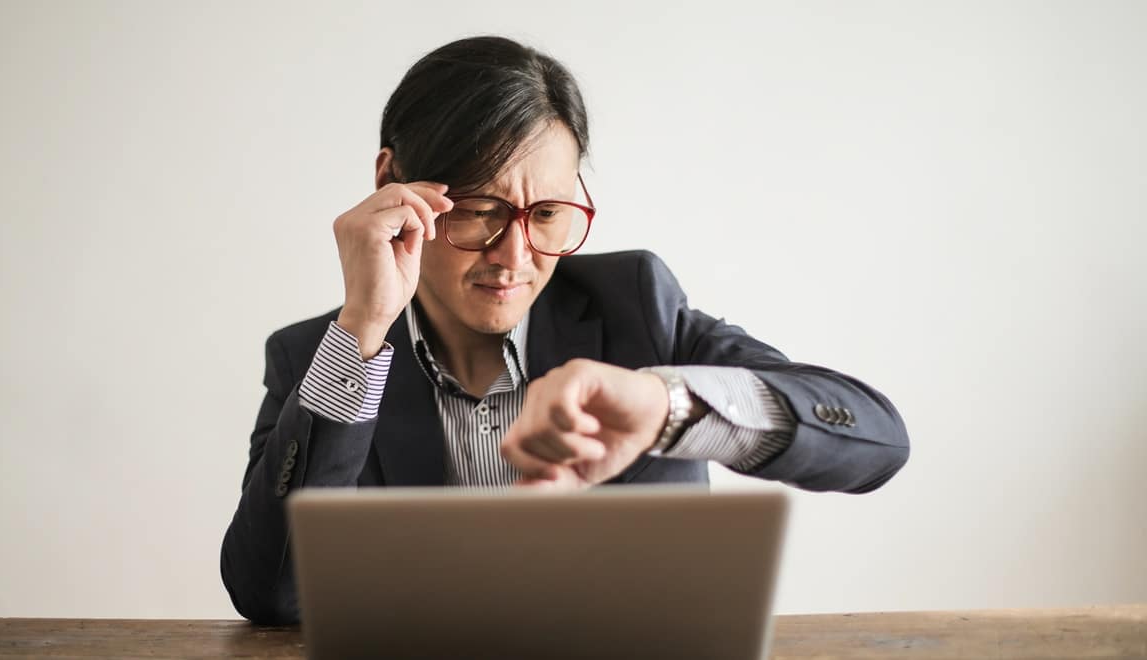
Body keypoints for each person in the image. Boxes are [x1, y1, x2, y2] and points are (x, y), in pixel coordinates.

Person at [220, 35, 909, 625]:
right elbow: (270, 593)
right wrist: (364, 331)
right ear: (392, 185)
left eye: (548, 213)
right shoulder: (318, 356)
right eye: (480, 210)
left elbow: (874, 440)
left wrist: (667, 409)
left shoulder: (635, 305)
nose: (514, 259)